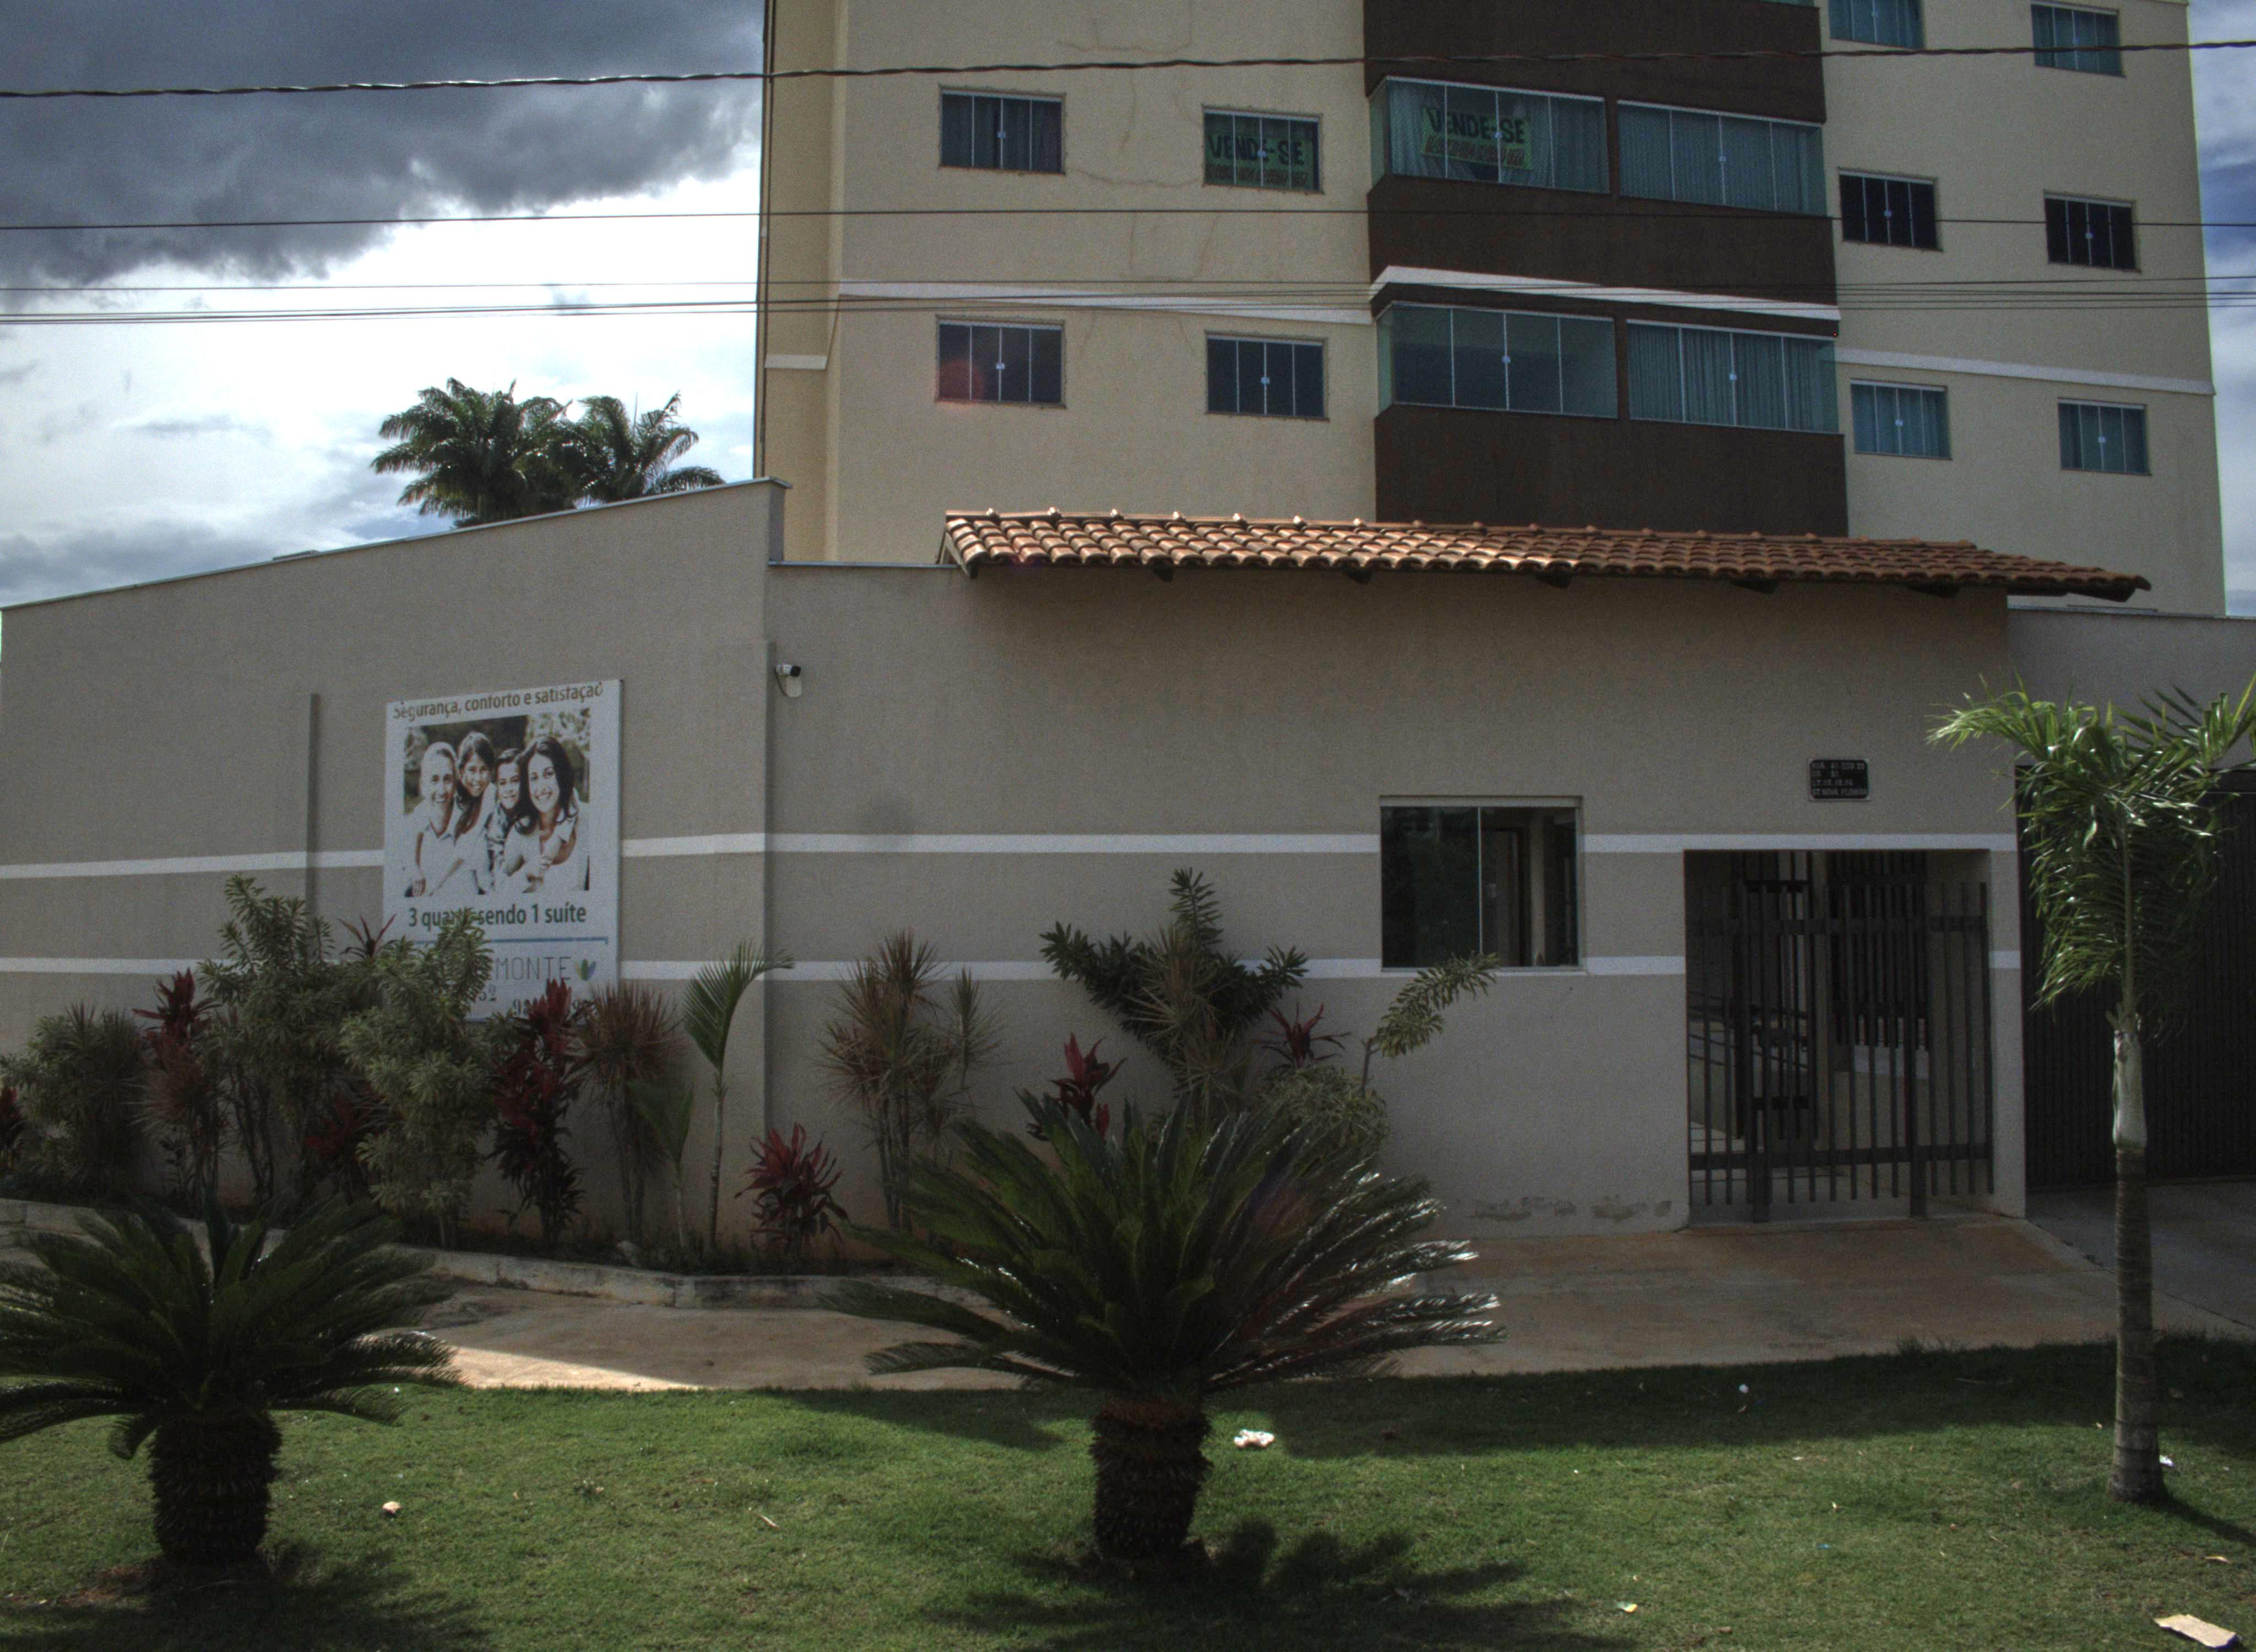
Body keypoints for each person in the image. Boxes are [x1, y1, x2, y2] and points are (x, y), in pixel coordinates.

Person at [510, 736, 589, 894]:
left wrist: (560, 835)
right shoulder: (521, 831)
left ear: (561, 775)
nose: (541, 787)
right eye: (534, 778)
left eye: (549, 774)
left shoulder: (586, 818)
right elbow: (498, 889)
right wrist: (526, 873)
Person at [404, 741, 458, 899]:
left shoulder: (467, 824)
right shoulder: (412, 826)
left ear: (455, 785)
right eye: (434, 780)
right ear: (423, 785)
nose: (442, 791)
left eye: (447, 780)